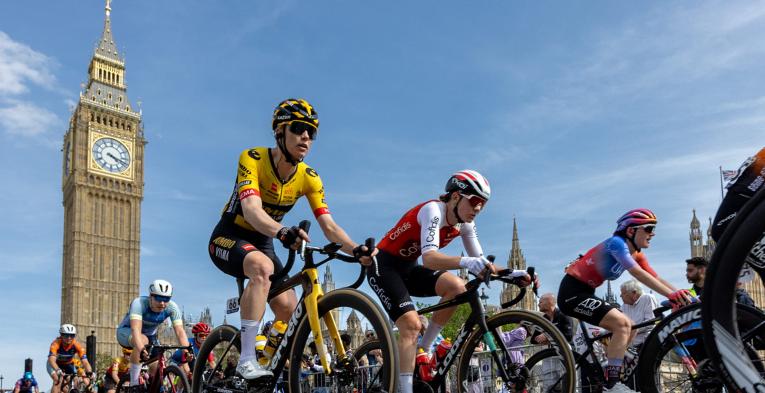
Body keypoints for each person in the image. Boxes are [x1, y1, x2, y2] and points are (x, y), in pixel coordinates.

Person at [208, 98, 375, 380]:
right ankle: (246, 360)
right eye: (299, 129)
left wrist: (356, 248)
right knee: (262, 267)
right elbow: (251, 210)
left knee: (288, 305)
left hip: (263, 241)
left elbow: (330, 226)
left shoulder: (310, 178)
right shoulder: (253, 158)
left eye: (312, 133)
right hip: (229, 235)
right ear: (279, 133)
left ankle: (264, 353)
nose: (306, 137)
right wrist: (283, 231)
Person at [367, 169, 532, 393]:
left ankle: (423, 349)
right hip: (384, 266)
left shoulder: (465, 225)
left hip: (408, 268)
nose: (478, 208)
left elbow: (481, 263)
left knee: (457, 286)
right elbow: (431, 258)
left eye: (482, 204)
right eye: (474, 201)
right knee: (412, 325)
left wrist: (512, 274)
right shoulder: (433, 211)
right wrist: (466, 262)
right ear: (455, 196)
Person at [558, 208, 692, 393]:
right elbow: (636, 273)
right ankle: (611, 385)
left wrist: (681, 294)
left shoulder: (637, 254)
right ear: (631, 231)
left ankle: (609, 364)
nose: (652, 234)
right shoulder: (616, 244)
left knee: (631, 325)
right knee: (622, 324)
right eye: (648, 228)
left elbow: (655, 277)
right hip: (571, 293)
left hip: (587, 292)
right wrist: (671, 296)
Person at [116, 279, 189, 390]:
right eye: (159, 299)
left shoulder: (172, 307)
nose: (162, 303)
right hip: (126, 332)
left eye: (166, 299)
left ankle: (151, 387)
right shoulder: (139, 303)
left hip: (150, 337)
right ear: (150, 296)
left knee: (157, 366)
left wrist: (186, 350)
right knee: (143, 340)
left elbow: (180, 332)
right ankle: (134, 384)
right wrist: (141, 349)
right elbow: (136, 329)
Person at [48, 324, 94, 393]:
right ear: (61, 335)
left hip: (67, 364)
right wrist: (57, 370)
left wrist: (89, 372)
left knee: (75, 380)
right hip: (55, 365)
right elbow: (51, 360)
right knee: (57, 380)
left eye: (72, 335)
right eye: (66, 335)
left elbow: (85, 361)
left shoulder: (76, 345)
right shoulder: (56, 343)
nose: (69, 338)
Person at [618, 280, 659, 349]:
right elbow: (618, 323)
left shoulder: (647, 298)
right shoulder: (624, 306)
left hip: (646, 343)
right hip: (629, 345)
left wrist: (628, 330)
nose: (620, 296)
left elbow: (650, 323)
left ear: (634, 293)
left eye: (623, 293)